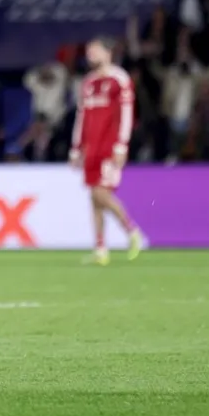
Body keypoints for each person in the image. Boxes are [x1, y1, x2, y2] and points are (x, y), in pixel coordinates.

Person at [69, 37, 144, 265]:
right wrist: (76, 148)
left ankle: (132, 230)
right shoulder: (88, 82)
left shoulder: (119, 79)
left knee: (100, 193)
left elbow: (127, 114)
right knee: (94, 198)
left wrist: (122, 145)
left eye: (95, 49)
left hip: (109, 147)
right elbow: (81, 117)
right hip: (91, 147)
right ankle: (100, 249)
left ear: (108, 52)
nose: (90, 53)